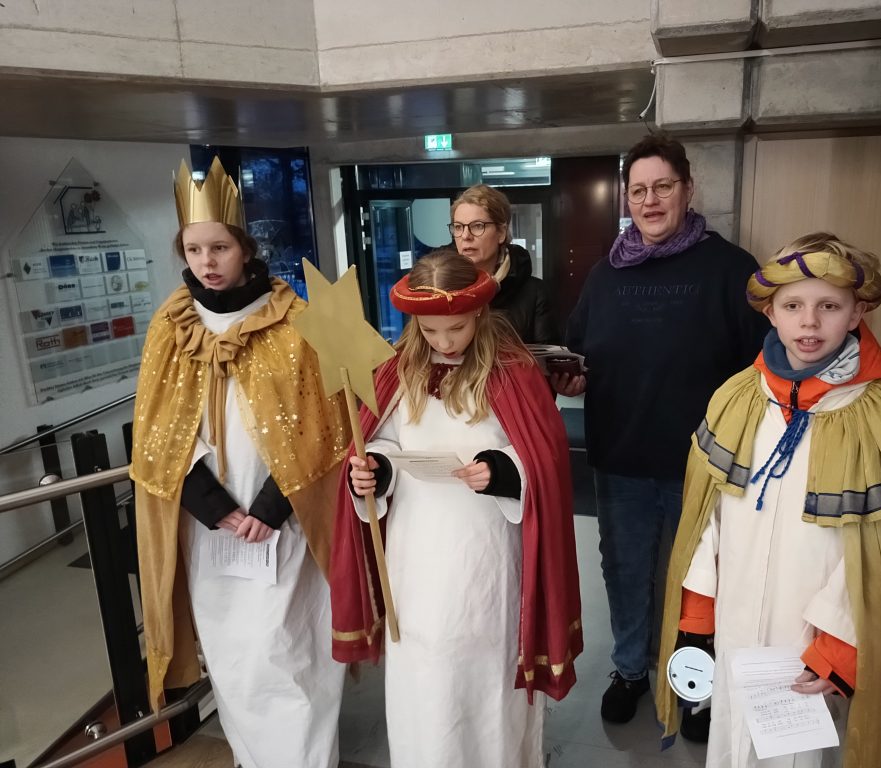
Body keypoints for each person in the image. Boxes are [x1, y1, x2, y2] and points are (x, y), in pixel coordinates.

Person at [654, 233, 881, 767]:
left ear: (857, 312)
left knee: (806, 753)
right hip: (738, 627)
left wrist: (839, 648)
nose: (809, 323)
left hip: (815, 645)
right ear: (770, 312)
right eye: (793, 306)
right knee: (733, 744)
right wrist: (698, 618)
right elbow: (705, 524)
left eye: (828, 306)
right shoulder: (736, 399)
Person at [131, 157, 350, 768]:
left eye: (220, 247)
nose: (207, 261)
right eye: (194, 249)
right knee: (234, 660)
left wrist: (270, 508)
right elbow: (155, 432)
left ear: (246, 248)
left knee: (288, 650)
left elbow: (326, 424)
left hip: (284, 517)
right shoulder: (170, 326)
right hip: (212, 530)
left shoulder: (296, 319)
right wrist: (216, 509)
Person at [330, 250, 582, 768]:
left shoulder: (513, 371)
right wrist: (374, 469)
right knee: (423, 673)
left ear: (480, 315)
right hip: (414, 552)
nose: (444, 342)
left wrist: (501, 469)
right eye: (429, 331)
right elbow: (383, 440)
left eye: (457, 328)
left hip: (486, 550)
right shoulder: (397, 370)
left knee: (485, 670)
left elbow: (542, 456)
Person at [552, 133, 768, 725]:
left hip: (702, 464)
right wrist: (573, 377)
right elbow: (580, 353)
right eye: (639, 190)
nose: (650, 201)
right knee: (624, 573)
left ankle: (692, 684)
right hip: (620, 457)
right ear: (627, 198)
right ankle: (629, 670)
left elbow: (762, 372)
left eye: (662, 187)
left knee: (700, 581)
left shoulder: (732, 269)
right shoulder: (606, 275)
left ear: (688, 189)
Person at [449, 183, 557, 344]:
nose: (465, 236)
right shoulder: (438, 286)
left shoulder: (535, 293)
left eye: (477, 226)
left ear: (501, 232)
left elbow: (547, 355)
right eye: (458, 227)